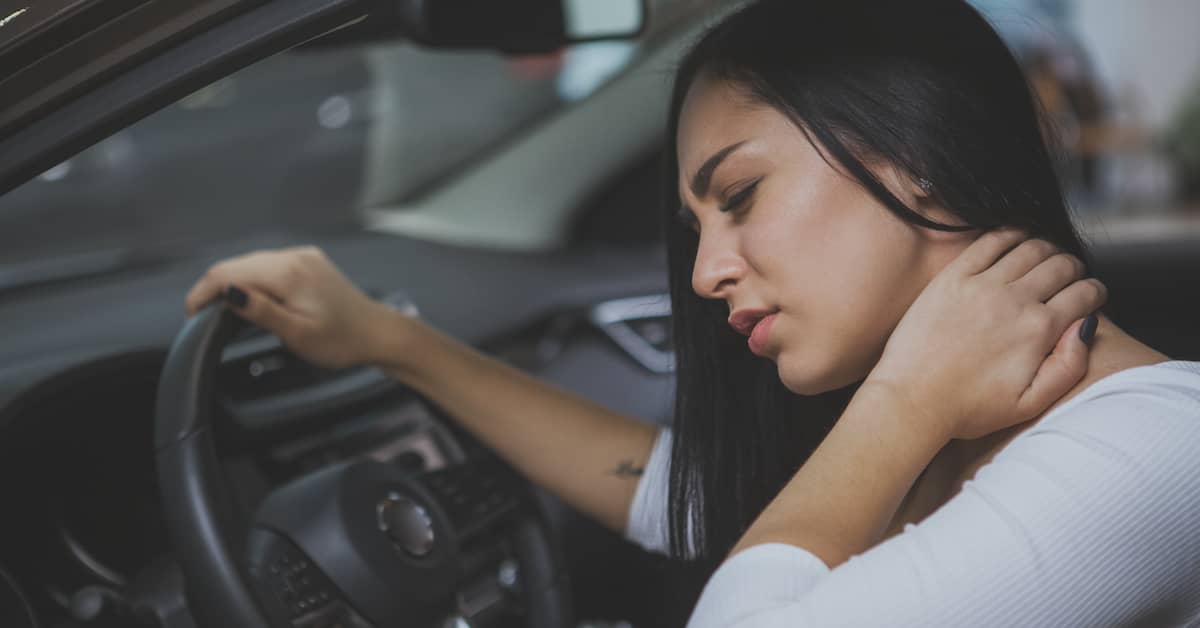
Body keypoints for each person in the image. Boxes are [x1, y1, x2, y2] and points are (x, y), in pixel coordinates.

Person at [186, 0, 1200, 625]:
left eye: (741, 194)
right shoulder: (962, 430)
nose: (709, 269)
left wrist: (900, 400)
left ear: (920, 159)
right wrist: (387, 340)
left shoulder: (1154, 445)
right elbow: (678, 492)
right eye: (694, 225)